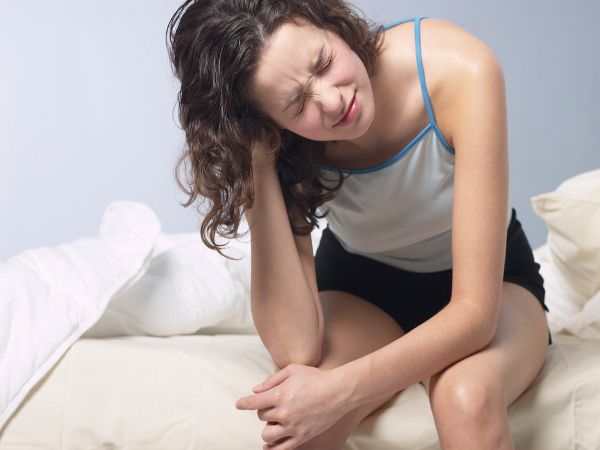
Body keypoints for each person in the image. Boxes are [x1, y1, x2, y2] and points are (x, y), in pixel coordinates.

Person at [166, 1, 553, 449]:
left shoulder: (459, 68)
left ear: (333, 25)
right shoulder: (275, 139)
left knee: (465, 399)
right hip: (362, 289)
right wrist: (255, 156)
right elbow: (296, 349)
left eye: (324, 63)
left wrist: (340, 391)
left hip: (491, 286)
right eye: (297, 105)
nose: (333, 101)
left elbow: (474, 317)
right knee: (297, 431)